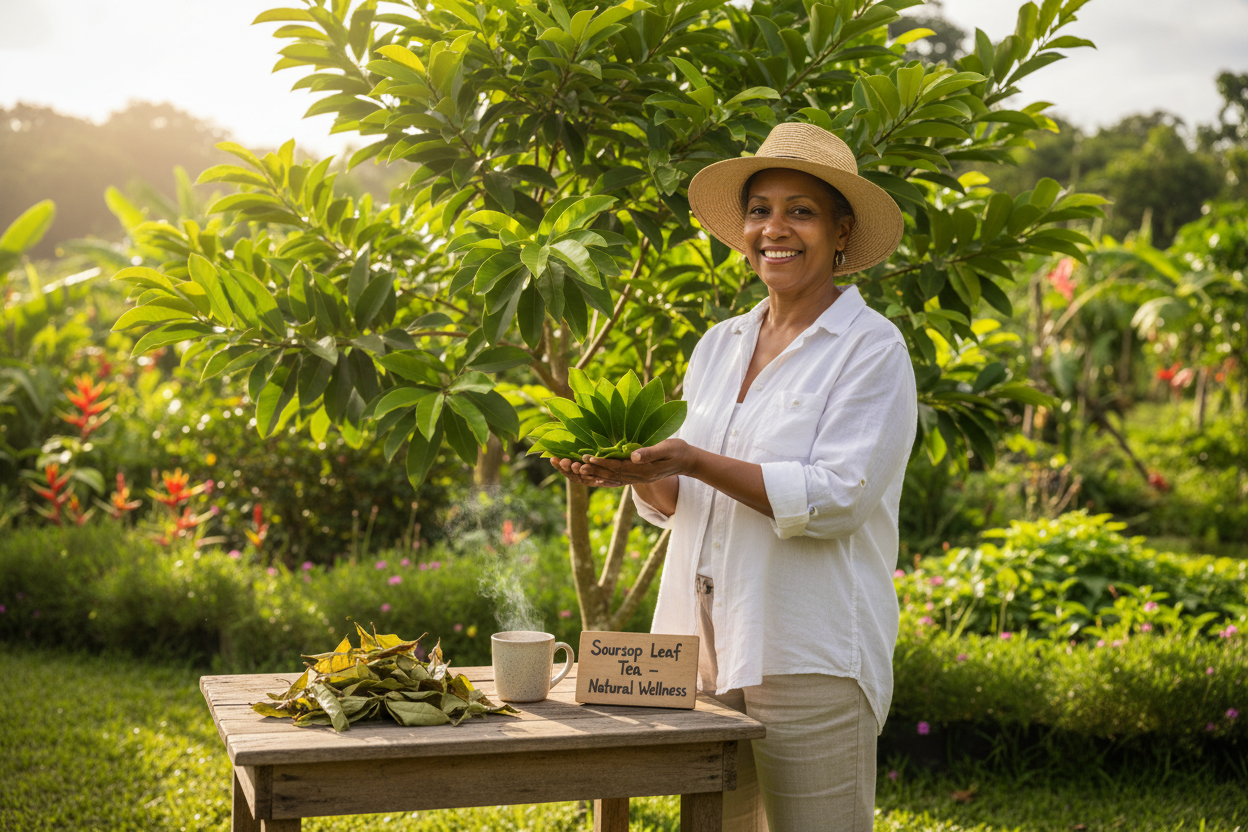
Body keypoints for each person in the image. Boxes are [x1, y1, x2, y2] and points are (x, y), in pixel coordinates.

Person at [549, 121, 917, 831]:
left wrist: (690, 457)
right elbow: (686, 500)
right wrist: (633, 471)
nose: (774, 228)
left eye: (800, 211)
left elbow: (835, 499)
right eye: (760, 210)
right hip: (703, 646)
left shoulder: (871, 349)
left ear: (842, 233)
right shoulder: (720, 344)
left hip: (807, 652)